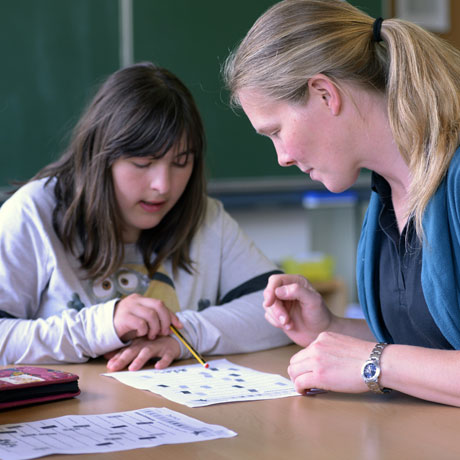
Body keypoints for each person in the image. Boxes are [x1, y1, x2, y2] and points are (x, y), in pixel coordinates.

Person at [223, 0, 460, 406]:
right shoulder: (385, 194)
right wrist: (331, 328)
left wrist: (374, 363)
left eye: (276, 131)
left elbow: (393, 359)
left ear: (324, 93)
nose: (281, 157)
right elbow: (430, 344)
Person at [0, 62, 291, 371]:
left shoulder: (206, 218)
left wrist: (184, 336)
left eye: (181, 162)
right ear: (100, 157)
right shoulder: (35, 212)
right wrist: (101, 326)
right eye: (142, 163)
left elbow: (279, 314)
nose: (163, 186)